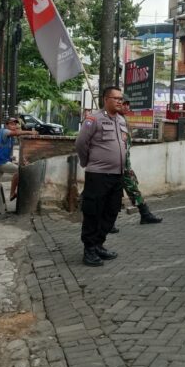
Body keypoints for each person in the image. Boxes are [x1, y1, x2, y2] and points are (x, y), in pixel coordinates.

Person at [75, 86, 127, 267]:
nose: (120, 101)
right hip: (98, 175)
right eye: (116, 98)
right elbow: (81, 143)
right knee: (93, 212)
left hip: (116, 175)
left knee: (111, 211)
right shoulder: (93, 119)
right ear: (106, 99)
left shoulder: (121, 120)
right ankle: (89, 249)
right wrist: (87, 163)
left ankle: (98, 244)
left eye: (121, 98)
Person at [115, 100, 162, 227]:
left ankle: (144, 215)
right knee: (123, 191)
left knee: (124, 191)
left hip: (124, 165)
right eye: (124, 104)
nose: (127, 107)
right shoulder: (114, 120)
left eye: (128, 104)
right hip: (117, 166)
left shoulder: (122, 120)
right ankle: (144, 214)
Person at [0, 117, 37, 203]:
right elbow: (16, 133)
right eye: (11, 124)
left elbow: (3, 148)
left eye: (15, 124)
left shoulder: (8, 136)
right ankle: (12, 193)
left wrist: (11, 158)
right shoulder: (4, 131)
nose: (14, 125)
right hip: (0, 162)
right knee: (20, 171)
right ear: (6, 125)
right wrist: (30, 132)